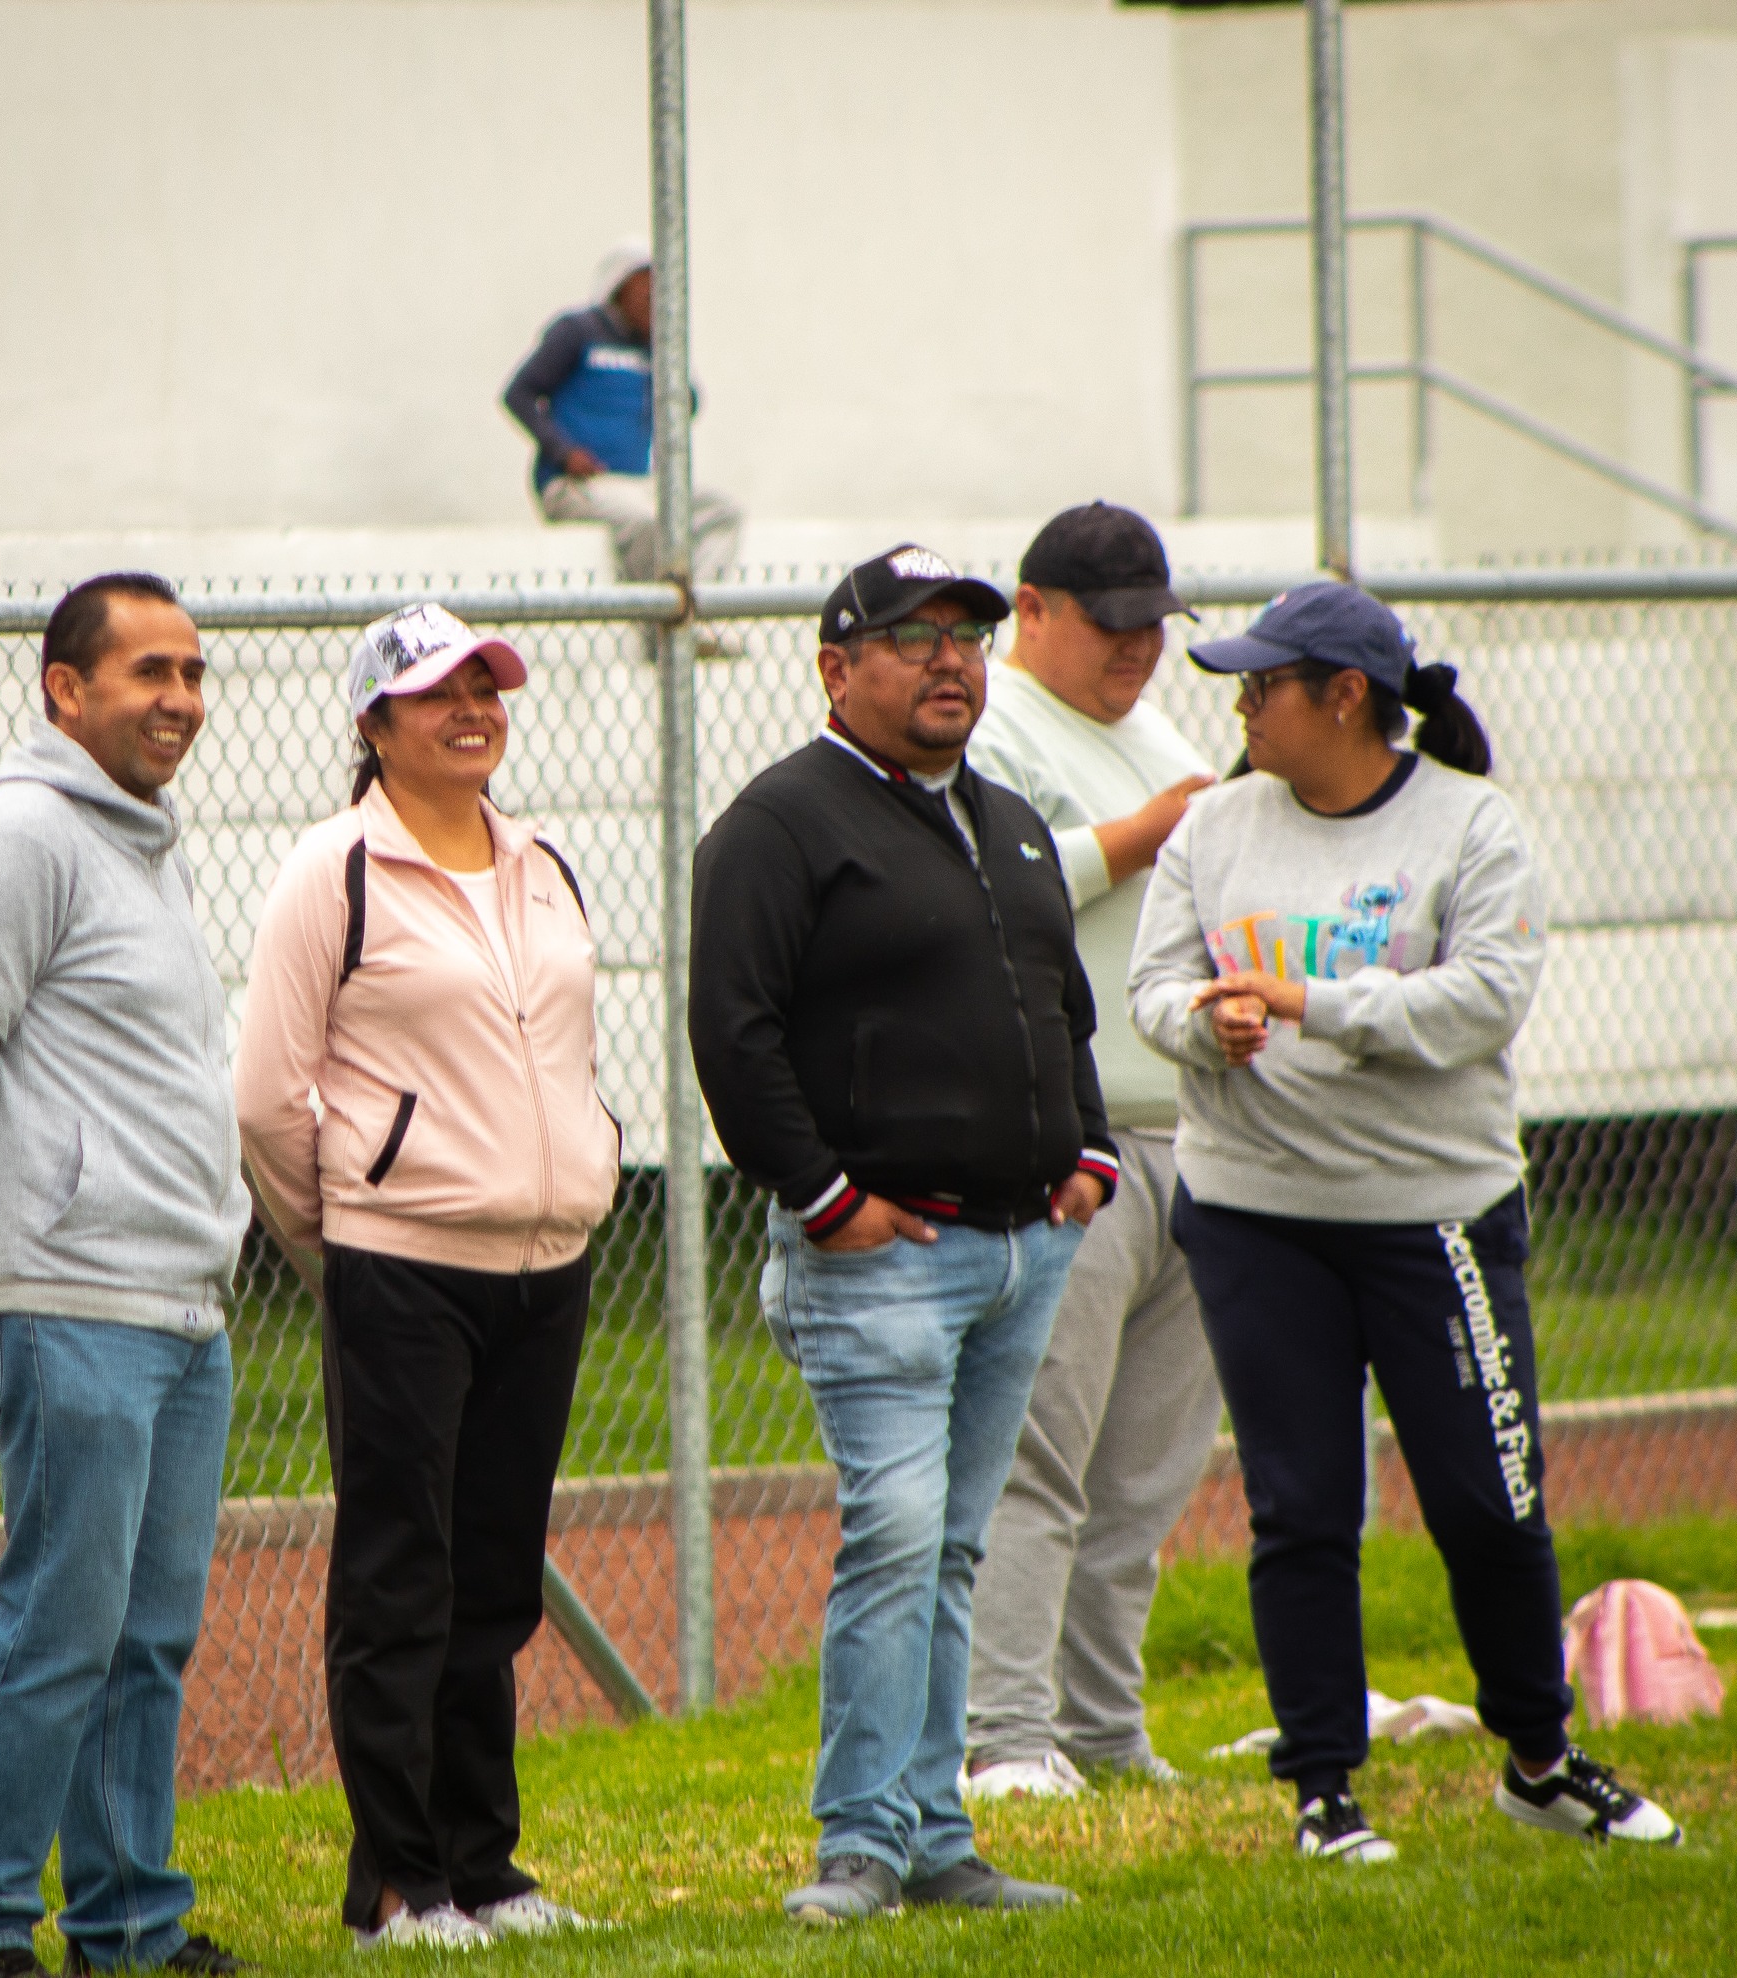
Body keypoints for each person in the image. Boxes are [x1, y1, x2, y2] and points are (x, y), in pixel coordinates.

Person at [1127, 581, 1680, 1863]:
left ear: (1345, 699)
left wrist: (1309, 1002)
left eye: (1262, 685)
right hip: (1253, 1215)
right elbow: (1152, 986)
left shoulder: (1469, 826)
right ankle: (1323, 1787)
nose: (1241, 706)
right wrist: (1202, 1023)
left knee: (1487, 1503)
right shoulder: (1213, 826)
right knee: (1300, 1507)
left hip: (1430, 1216)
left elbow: (1479, 1002)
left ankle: (1537, 1759)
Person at [689, 544, 1121, 1925]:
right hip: (882, 1256)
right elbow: (732, 1032)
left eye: (971, 635)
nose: (953, 659)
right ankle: (861, 1840)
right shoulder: (783, 821)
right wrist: (827, 1197)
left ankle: (936, 1836)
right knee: (896, 1530)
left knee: (950, 1544)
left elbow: (1062, 1002)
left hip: (1019, 1249)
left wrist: (1088, 1154)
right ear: (836, 665)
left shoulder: (1005, 818)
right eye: (917, 634)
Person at [235, 603, 621, 1950]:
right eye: (439, 691)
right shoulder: (330, 871)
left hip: (546, 1264)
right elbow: (271, 1099)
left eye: (488, 687)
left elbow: (567, 1054)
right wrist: (341, 1238)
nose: (473, 709)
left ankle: (484, 1864)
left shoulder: (543, 862)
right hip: (401, 1268)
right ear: (375, 721)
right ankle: (397, 1882)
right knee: (401, 1575)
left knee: (495, 1579)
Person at [0, 573, 250, 1978]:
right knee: (58, 1629)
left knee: (144, 1641)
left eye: (195, 672)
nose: (180, 698)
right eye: (149, 671)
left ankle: (129, 1932)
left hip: (178, 1304)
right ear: (63, 689)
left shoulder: (148, 840)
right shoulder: (26, 834)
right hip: (69, 1296)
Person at [961, 503, 1221, 1796]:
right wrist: (1154, 831)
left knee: (1144, 1472)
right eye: (1111, 623)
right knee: (1038, 1454)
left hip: (1197, 1132)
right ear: (1035, 609)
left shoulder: (1153, 729)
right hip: (1074, 1142)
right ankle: (1006, 1737)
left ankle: (1103, 1729)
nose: (1136, 649)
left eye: (1153, 625)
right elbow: (989, 889)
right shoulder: (996, 723)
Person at [502, 239, 742, 587]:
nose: (655, 298)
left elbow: (687, 404)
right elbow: (519, 394)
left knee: (721, 513)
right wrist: (565, 453)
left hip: (637, 486)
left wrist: (669, 357)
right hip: (577, 485)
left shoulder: (655, 346)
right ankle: (657, 627)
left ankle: (694, 620)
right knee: (647, 523)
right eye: (645, 286)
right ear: (618, 287)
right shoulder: (579, 332)